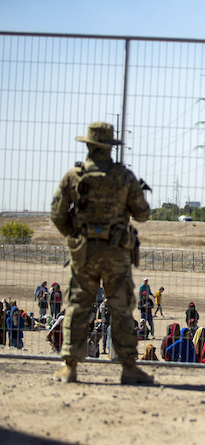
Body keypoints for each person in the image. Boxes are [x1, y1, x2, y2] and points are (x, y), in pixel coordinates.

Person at [50, 122, 153, 384]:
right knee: (121, 309)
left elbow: (57, 214)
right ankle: (128, 366)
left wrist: (75, 236)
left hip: (83, 252)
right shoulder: (124, 177)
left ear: (88, 145)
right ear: (110, 147)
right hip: (116, 253)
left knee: (78, 306)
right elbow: (142, 214)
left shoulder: (74, 176)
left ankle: (70, 366)